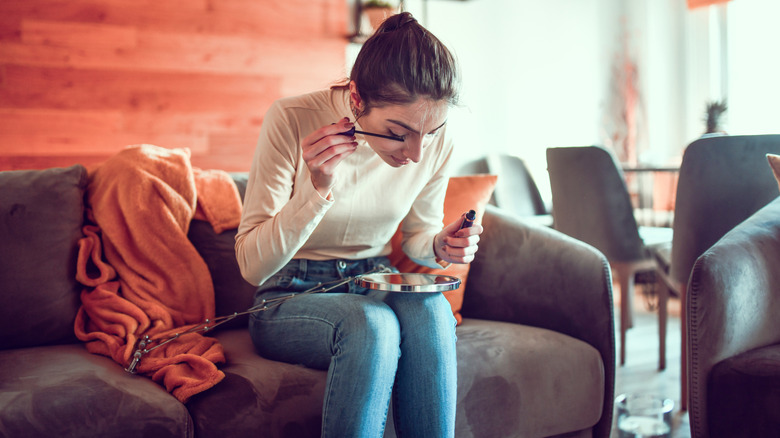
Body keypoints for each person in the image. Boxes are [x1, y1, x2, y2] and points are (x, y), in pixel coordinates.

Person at [234, 11, 481, 438]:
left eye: (432, 132)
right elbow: (253, 267)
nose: (416, 154)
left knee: (433, 313)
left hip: (375, 280)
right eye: (399, 132)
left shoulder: (435, 145)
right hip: (289, 293)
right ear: (355, 97)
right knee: (370, 324)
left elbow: (418, 237)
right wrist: (317, 189)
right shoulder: (292, 118)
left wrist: (440, 245)